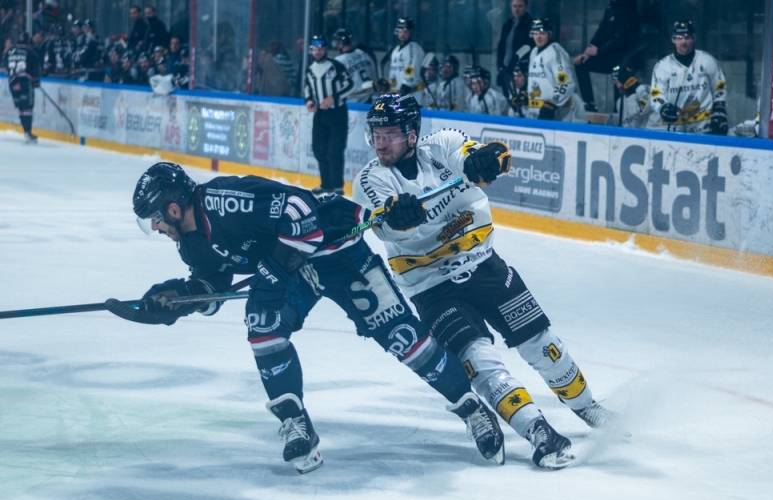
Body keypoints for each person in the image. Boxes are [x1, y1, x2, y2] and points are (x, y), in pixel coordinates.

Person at [118, 162, 505, 473]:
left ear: (171, 207)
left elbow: (299, 210)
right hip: (293, 268)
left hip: (337, 248)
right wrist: (177, 299)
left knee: (402, 338)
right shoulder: (190, 244)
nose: (155, 227)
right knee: (263, 323)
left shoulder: (222, 200)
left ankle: (472, 409)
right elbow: (213, 287)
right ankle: (295, 422)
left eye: (154, 218)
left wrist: (273, 273)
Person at [352, 94, 623, 468]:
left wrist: (483, 161)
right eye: (376, 135)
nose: (380, 143)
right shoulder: (371, 180)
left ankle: (587, 407)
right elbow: (392, 228)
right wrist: (399, 218)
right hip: (432, 289)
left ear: (413, 134)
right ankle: (538, 432)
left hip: (485, 266)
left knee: (542, 345)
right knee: (479, 362)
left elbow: (478, 159)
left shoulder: (442, 144)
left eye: (390, 134)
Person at [649, 20, 727, 135]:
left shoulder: (707, 60)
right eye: (679, 37)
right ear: (673, 40)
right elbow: (656, 95)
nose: (683, 42)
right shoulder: (662, 66)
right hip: (674, 128)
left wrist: (720, 111)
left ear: (694, 38)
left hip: (704, 126)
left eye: (687, 37)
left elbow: (719, 88)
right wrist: (663, 108)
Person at [304, 35, 354, 196]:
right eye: (315, 49)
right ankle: (326, 183)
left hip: (337, 113)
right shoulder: (310, 69)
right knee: (319, 149)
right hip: (320, 114)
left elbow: (350, 85)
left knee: (335, 149)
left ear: (325, 49)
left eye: (321, 48)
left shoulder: (336, 66)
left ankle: (337, 186)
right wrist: (309, 101)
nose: (318, 52)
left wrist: (334, 97)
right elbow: (307, 88)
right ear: (311, 51)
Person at [573, 0, 640, 112]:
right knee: (581, 63)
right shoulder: (610, 8)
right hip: (607, 56)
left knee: (618, 71)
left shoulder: (630, 11)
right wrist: (588, 52)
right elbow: (600, 31)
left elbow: (622, 39)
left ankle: (618, 113)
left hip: (624, 59)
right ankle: (590, 104)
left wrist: (599, 51)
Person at [527, 18, 587, 122]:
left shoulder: (555, 52)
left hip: (561, 113)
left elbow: (565, 83)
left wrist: (551, 104)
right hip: (538, 111)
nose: (538, 37)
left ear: (549, 34)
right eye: (535, 33)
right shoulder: (534, 51)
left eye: (542, 33)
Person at [3, 31, 41, 143]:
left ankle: (26, 131)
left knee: (21, 108)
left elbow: (6, 67)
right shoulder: (31, 52)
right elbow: (35, 68)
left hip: (12, 82)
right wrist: (36, 81)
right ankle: (27, 132)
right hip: (25, 81)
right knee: (27, 108)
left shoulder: (9, 51)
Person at [381, 18, 425, 104]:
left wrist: (402, 91)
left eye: (405, 31)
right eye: (400, 31)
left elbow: (411, 73)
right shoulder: (396, 49)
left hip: (410, 97)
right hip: (397, 95)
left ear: (411, 32)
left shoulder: (413, 49)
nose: (402, 34)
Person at [496, 0, 534, 98]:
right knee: (507, 97)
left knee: (521, 98)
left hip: (521, 70)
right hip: (506, 68)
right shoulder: (507, 24)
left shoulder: (531, 24)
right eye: (514, 6)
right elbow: (501, 46)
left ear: (526, 7)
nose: (517, 9)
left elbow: (531, 48)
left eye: (520, 6)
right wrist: (500, 65)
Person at [331, 28, 376, 104]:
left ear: (341, 44)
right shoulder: (363, 53)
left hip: (352, 103)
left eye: (337, 43)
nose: (337, 46)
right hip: (368, 100)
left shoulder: (339, 61)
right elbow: (372, 71)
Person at [607, 64, 658, 128]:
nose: (618, 86)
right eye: (614, 82)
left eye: (618, 81)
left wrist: (630, 92)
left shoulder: (644, 90)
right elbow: (626, 123)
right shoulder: (620, 101)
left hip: (649, 135)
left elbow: (637, 114)